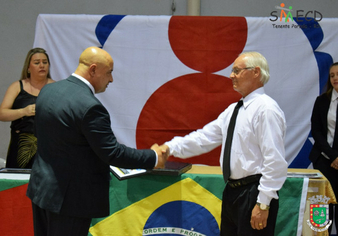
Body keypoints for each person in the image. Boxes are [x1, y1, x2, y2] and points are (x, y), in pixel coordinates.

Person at [26, 46, 167, 236]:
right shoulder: (90, 107)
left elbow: (46, 136)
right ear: (93, 70)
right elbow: (112, 153)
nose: (111, 79)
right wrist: (153, 157)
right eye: (109, 73)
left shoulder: (48, 91)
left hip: (42, 191)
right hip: (70, 201)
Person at [160, 52, 287, 236]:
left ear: (256, 72)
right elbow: (203, 139)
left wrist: (263, 203)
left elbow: (274, 160)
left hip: (254, 193)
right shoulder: (233, 110)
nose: (231, 75)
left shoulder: (266, 109)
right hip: (232, 191)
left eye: (236, 70)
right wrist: (169, 148)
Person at [0, 48, 54, 168]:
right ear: (28, 68)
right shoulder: (17, 86)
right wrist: (24, 111)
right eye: (37, 62)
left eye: (45, 62)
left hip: (48, 145)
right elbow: (1, 114)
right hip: (21, 146)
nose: (42, 66)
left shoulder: (56, 87)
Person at [309, 62, 338, 234]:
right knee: (321, 209)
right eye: (332, 75)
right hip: (324, 162)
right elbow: (317, 131)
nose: (335, 78)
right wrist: (333, 156)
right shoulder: (322, 101)